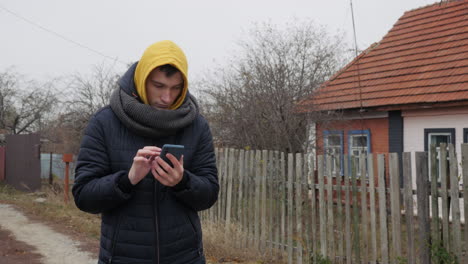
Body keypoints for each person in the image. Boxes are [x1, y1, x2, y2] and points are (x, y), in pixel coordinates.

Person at [72, 40, 219, 264]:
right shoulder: (104, 122)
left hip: (185, 258)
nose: (167, 98)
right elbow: (84, 197)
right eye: (158, 86)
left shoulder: (196, 126)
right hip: (122, 258)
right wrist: (127, 180)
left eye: (175, 88)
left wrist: (182, 181)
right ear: (142, 80)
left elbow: (209, 195)